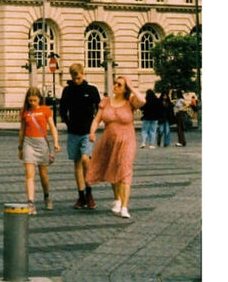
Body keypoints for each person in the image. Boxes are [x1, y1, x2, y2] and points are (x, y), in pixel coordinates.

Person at [87, 76, 145, 219]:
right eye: (115, 83)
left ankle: (124, 206)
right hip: (109, 140)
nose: (116, 86)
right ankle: (117, 199)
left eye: (119, 85)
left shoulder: (130, 102)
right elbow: (97, 119)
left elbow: (143, 101)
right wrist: (92, 132)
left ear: (125, 89)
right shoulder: (106, 102)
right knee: (113, 168)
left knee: (125, 169)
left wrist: (131, 87)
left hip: (127, 140)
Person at [60, 63, 102, 209]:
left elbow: (100, 107)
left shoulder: (91, 90)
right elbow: (62, 110)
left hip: (87, 131)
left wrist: (95, 124)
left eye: (78, 77)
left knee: (85, 159)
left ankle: (89, 192)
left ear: (83, 74)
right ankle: (81, 195)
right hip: (73, 132)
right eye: (74, 78)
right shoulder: (67, 90)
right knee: (77, 164)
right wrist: (68, 123)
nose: (76, 80)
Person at [18, 86, 59, 213]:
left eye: (34, 100)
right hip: (28, 142)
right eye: (30, 101)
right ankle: (31, 202)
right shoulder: (24, 112)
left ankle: (47, 196)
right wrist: (20, 147)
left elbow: (52, 126)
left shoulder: (45, 110)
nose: (32, 103)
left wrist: (56, 142)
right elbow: (22, 130)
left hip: (42, 143)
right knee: (29, 174)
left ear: (39, 99)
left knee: (43, 175)